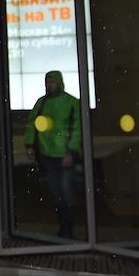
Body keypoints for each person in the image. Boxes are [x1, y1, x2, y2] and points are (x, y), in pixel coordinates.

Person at [24, 70, 83, 238]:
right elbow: (32, 124)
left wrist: (70, 151)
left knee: (66, 191)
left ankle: (68, 228)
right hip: (48, 155)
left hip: (64, 155)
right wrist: (30, 145)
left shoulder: (71, 102)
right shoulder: (42, 103)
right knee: (57, 192)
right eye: (48, 82)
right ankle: (64, 227)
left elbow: (77, 128)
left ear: (59, 83)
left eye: (52, 82)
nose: (49, 85)